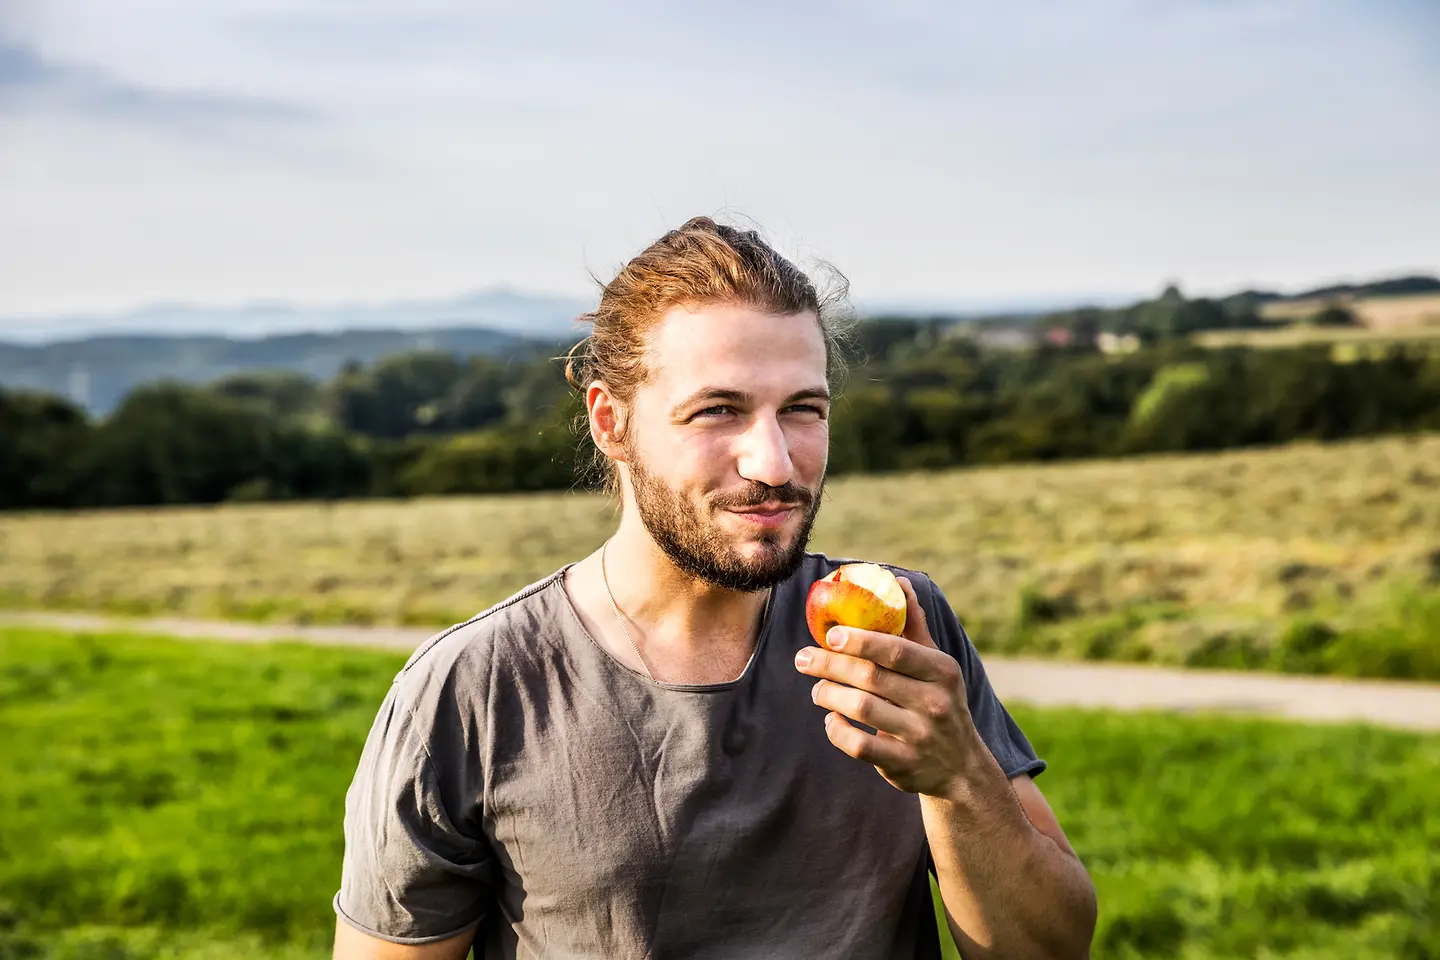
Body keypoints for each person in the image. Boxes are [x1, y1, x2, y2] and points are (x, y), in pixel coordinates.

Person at [331, 217, 1098, 959]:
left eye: (802, 409)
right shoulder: (469, 690)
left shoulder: (903, 625)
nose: (773, 462)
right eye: (718, 411)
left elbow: (1052, 948)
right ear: (611, 422)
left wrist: (960, 777)